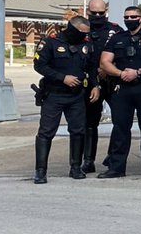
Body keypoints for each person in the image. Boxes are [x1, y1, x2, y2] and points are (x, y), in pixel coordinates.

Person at [97, 6, 141, 178]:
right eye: (126, 17)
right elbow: (104, 62)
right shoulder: (117, 38)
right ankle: (116, 167)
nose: (130, 20)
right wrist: (121, 73)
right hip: (122, 88)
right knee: (120, 128)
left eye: (133, 17)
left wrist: (137, 72)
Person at [32, 17, 97, 184]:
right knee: (46, 132)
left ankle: (76, 167)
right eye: (81, 33)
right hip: (54, 94)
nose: (84, 36)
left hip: (76, 95)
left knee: (78, 131)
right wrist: (62, 78)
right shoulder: (51, 42)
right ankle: (40, 171)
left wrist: (95, 85)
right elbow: (40, 66)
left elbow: (91, 67)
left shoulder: (87, 44)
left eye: (86, 33)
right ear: (72, 29)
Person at [81, 0, 122, 174]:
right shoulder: (81, 30)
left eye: (101, 13)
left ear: (106, 10)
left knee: (120, 121)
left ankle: (113, 156)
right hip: (90, 82)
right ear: (88, 11)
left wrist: (108, 69)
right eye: (94, 13)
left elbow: (122, 54)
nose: (97, 16)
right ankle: (88, 160)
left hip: (112, 81)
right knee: (90, 123)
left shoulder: (115, 30)